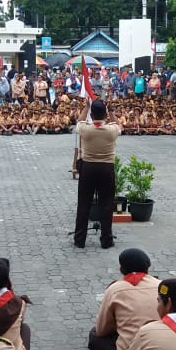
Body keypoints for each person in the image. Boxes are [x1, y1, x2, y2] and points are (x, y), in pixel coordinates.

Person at [88, 248, 161, 350]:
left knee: (95, 334)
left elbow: (102, 330)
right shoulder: (162, 285)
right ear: (147, 268)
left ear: (121, 269)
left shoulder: (114, 289)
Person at [72, 99, 121, 249]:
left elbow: (79, 121)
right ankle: (106, 239)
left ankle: (80, 239)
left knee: (84, 204)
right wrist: (111, 112)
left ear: (91, 115)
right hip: (107, 168)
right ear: (105, 115)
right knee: (107, 204)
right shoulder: (112, 130)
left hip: (88, 167)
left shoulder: (86, 129)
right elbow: (118, 125)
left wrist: (86, 107)